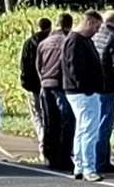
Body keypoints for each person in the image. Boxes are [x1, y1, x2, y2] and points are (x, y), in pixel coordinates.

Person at [62, 11, 105, 182]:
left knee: (81, 129)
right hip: (82, 92)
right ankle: (89, 167)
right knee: (89, 130)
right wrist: (87, 88)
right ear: (89, 22)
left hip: (80, 91)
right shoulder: (75, 41)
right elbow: (75, 69)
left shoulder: (82, 40)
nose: (97, 30)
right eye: (96, 26)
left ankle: (79, 165)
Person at [37, 13, 75, 171]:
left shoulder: (44, 43)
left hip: (45, 84)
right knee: (66, 122)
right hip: (61, 85)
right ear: (69, 25)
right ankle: (64, 157)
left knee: (49, 122)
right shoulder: (68, 42)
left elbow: (38, 66)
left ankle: (50, 156)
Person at [93, 10, 114, 174]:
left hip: (94, 86)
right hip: (108, 87)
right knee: (105, 123)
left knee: (94, 123)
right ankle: (102, 161)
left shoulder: (96, 34)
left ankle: (92, 159)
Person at [20, 18, 51, 157]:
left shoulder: (29, 43)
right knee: (48, 114)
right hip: (49, 83)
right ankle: (48, 140)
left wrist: (25, 81)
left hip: (32, 85)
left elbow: (24, 64)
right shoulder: (51, 42)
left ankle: (42, 138)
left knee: (37, 114)